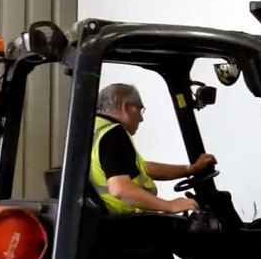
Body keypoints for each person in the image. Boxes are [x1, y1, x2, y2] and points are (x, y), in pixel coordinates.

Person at [90, 83, 216, 215]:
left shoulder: (95, 129)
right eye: (140, 109)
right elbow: (120, 189)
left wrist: (190, 169)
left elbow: (143, 169)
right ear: (126, 107)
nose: (141, 118)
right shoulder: (113, 133)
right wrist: (170, 206)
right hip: (124, 221)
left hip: (111, 219)